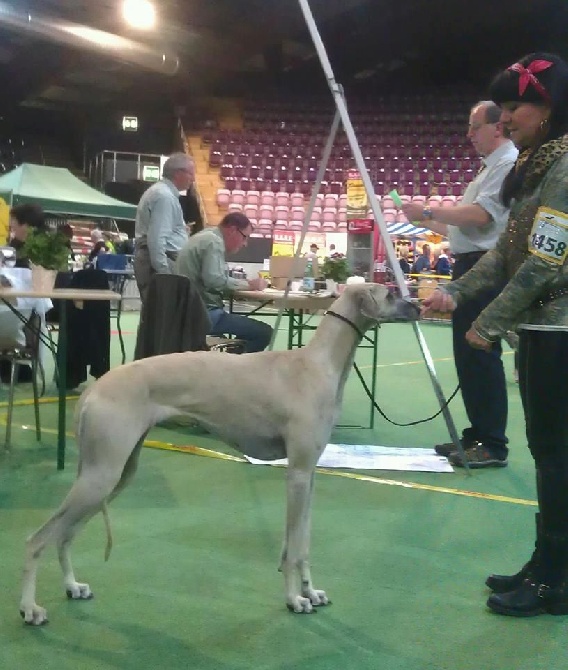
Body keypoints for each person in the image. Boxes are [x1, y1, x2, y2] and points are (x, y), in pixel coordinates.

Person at [423, 53, 568, 617]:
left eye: (512, 107)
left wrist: (489, 320)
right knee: (549, 452)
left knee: (556, 456)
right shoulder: (538, 166)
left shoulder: (562, 168)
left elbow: (545, 262)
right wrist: (459, 292)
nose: (504, 119)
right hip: (542, 327)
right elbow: (507, 254)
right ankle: (548, 561)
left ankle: (555, 577)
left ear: (546, 108)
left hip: (559, 328)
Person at [403, 101, 519, 468]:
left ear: (496, 127)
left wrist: (428, 211)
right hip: (470, 263)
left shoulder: (507, 164)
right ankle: (477, 435)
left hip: (485, 268)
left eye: (473, 127)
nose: (468, 134)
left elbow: (482, 217)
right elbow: (463, 228)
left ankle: (492, 442)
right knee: (469, 356)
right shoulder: (489, 168)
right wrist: (424, 220)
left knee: (480, 354)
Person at [176, 212, 273, 353]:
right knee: (263, 333)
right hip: (204, 315)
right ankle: (232, 370)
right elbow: (214, 280)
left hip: (187, 312)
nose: (245, 244)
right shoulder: (213, 242)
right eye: (245, 237)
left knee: (236, 336)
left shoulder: (203, 236)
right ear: (233, 230)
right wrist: (250, 285)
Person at [133, 153, 194, 303]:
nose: (193, 178)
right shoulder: (165, 197)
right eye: (191, 173)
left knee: (157, 317)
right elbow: (156, 239)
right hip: (160, 263)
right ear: (178, 173)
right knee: (163, 317)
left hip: (154, 260)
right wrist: (165, 274)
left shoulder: (161, 193)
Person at [8, 203, 47, 268]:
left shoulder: (49, 250)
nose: (11, 226)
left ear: (25, 226)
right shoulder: (14, 245)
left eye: (13, 221)